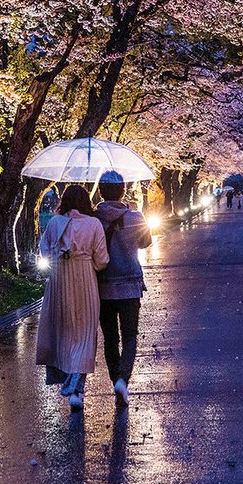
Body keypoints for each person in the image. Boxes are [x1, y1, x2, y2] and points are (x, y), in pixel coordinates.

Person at [35, 184, 108, 412]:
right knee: (85, 334)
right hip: (85, 279)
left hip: (59, 280)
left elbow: (44, 250)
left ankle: (69, 380)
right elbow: (102, 259)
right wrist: (89, 264)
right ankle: (77, 387)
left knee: (63, 332)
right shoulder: (94, 223)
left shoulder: (55, 222)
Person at [94, 171, 153, 407]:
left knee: (110, 338)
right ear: (123, 190)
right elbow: (146, 242)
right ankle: (123, 381)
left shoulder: (94, 218)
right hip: (129, 285)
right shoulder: (136, 217)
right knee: (129, 337)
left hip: (103, 286)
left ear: (100, 191)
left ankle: (115, 378)